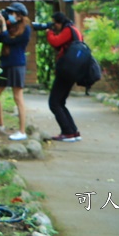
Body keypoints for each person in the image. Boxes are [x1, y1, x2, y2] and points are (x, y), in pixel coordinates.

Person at [0, 2, 32, 141]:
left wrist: (4, 24)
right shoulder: (10, 26)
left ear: (20, 16)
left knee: (17, 97)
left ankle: (22, 131)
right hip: (6, 63)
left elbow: (8, 39)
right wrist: (2, 24)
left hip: (17, 65)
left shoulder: (25, 29)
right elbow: (0, 38)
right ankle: (0, 122)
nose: (10, 15)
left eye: (13, 13)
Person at [46, 11, 84, 142]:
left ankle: (68, 132)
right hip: (72, 70)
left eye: (54, 24)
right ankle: (73, 131)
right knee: (60, 102)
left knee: (54, 102)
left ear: (59, 22)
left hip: (66, 71)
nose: (54, 26)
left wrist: (49, 32)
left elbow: (55, 42)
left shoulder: (68, 30)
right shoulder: (74, 30)